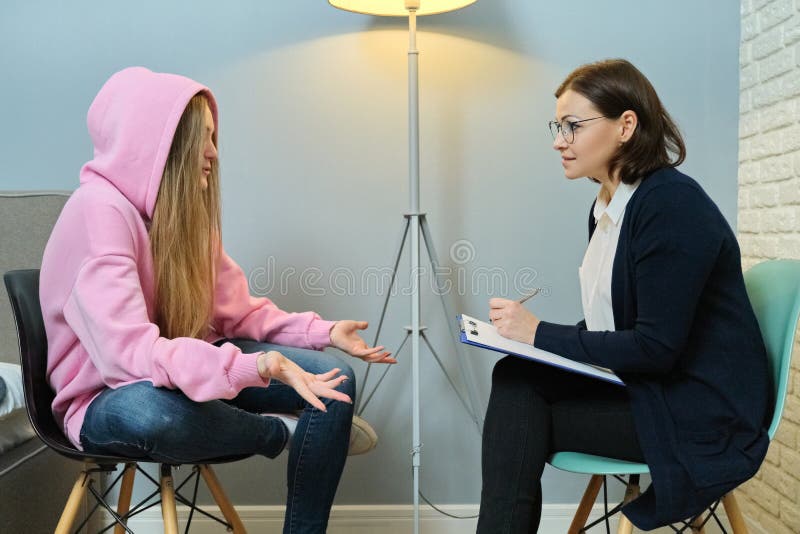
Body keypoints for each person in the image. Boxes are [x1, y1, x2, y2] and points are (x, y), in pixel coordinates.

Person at [39, 66, 395, 534]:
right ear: (160, 142)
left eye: (213, 137)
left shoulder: (182, 218)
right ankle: (281, 433)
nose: (212, 153)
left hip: (175, 372)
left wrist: (323, 332)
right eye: (202, 138)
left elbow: (238, 311)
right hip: (105, 397)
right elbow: (128, 359)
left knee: (336, 379)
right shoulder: (97, 211)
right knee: (158, 414)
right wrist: (259, 368)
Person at [477, 59, 772, 532]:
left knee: (520, 416)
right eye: (558, 126)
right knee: (515, 375)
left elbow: (655, 348)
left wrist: (538, 332)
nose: (559, 140)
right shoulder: (609, 207)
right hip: (652, 386)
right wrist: (530, 341)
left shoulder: (671, 205)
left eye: (573, 126)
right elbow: (616, 331)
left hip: (697, 412)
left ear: (626, 126)